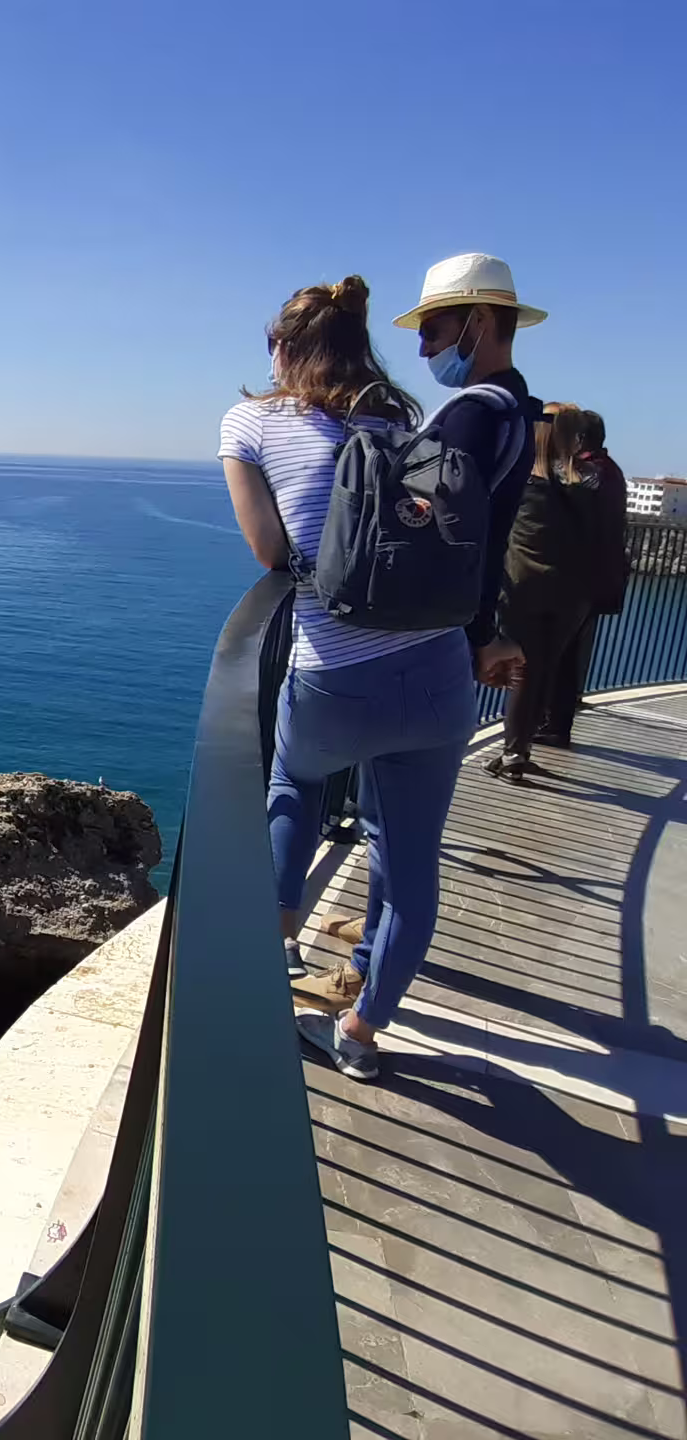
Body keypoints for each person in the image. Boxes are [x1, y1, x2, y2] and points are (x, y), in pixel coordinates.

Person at [219, 257, 540, 1083]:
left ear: (283, 348)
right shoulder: (407, 423)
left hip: (335, 672)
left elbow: (269, 551)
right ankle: (360, 1036)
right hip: (435, 678)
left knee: (294, 787)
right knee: (409, 865)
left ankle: (267, 968)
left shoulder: (248, 426)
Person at [489, 406, 629, 775]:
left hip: (522, 588)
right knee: (545, 670)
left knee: (522, 670)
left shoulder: (520, 479)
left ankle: (514, 751)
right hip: (573, 594)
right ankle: (522, 746)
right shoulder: (593, 481)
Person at [533, 410, 629, 747]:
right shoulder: (611, 471)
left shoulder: (585, 474)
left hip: (575, 578)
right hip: (597, 577)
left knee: (550, 656)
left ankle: (542, 726)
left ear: (578, 439)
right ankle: (556, 724)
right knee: (569, 656)